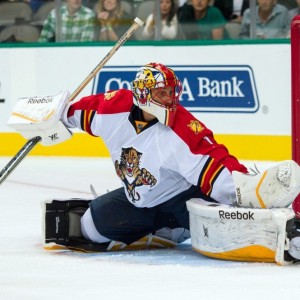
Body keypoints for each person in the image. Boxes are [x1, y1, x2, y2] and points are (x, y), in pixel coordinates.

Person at [20, 62, 298, 264]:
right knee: (91, 228)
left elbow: (214, 163)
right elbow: (75, 112)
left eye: (172, 92)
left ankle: (186, 227)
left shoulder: (181, 127)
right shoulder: (111, 108)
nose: (171, 100)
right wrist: (50, 116)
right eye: (162, 93)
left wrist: (245, 187)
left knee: (221, 230)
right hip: (139, 202)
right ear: (142, 94)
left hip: (184, 199)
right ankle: (164, 232)